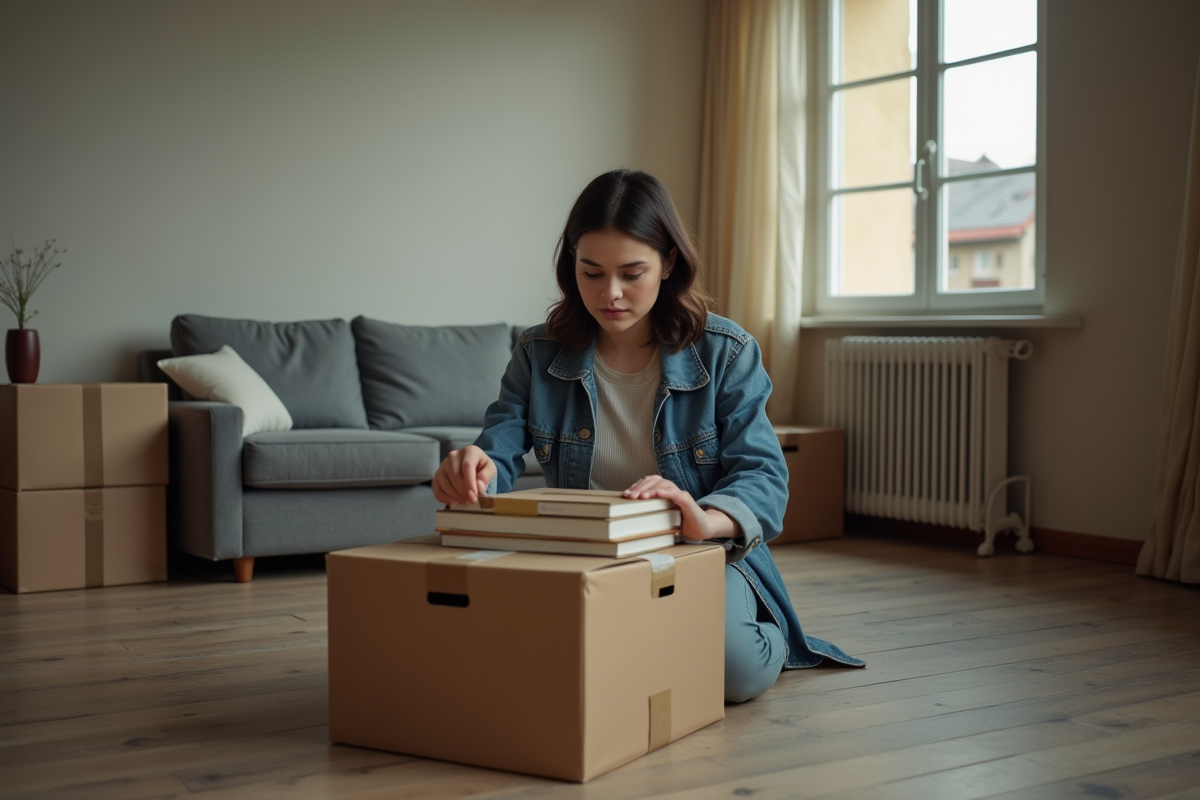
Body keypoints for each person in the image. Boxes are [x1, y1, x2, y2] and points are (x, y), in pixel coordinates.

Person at [432, 169, 864, 702]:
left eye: (631, 273)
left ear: (669, 264)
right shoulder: (537, 351)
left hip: (693, 549)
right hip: (582, 548)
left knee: (736, 673)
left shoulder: (726, 352)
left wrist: (703, 517)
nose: (609, 293)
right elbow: (497, 450)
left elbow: (764, 477)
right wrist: (475, 469)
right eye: (591, 272)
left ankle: (774, 631)